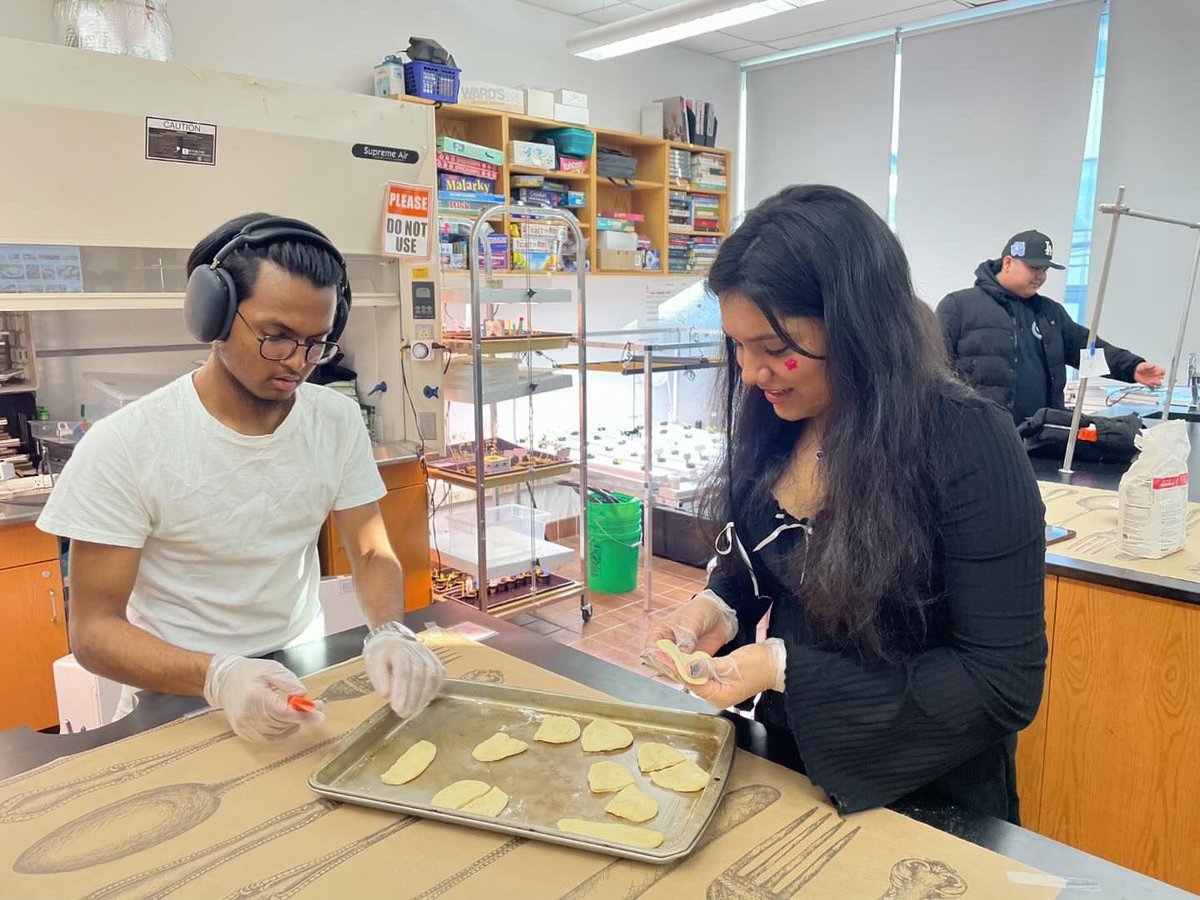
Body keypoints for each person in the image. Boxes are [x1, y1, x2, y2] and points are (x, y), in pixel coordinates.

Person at [643, 186, 1047, 824]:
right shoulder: (778, 419)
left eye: (777, 350)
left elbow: (1003, 683)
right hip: (790, 767)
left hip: (926, 791)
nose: (751, 373)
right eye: (738, 347)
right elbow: (763, 559)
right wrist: (718, 610)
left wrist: (785, 668)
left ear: (860, 327)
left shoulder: (967, 441)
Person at [37, 213, 444, 741]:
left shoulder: (335, 420)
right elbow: (93, 632)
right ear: (214, 316)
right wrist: (219, 675)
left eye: (316, 342)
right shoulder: (126, 444)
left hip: (302, 669)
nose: (298, 363)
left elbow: (369, 552)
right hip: (178, 686)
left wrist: (390, 630)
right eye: (276, 337)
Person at [937, 229, 1165, 424]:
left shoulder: (1050, 313)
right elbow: (934, 368)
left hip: (1040, 436)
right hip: (982, 435)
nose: (1041, 276)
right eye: (1034, 267)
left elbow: (1086, 349)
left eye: (1045, 269)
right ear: (1008, 262)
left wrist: (1132, 368)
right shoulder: (959, 306)